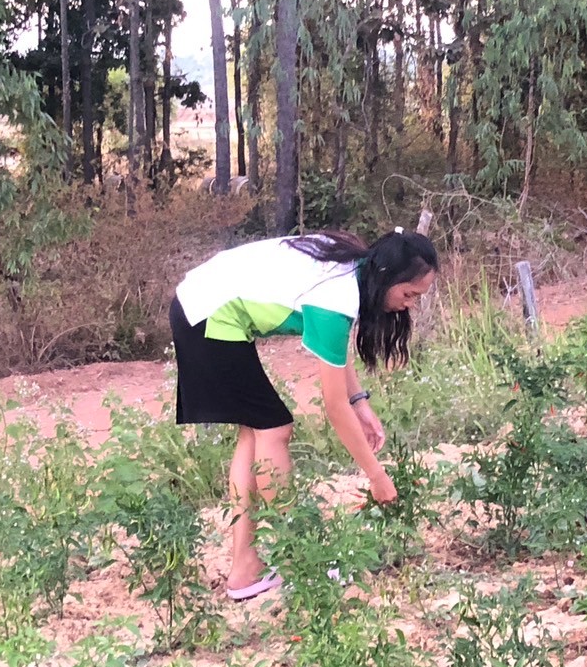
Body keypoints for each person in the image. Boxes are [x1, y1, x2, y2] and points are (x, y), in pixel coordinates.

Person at [169, 228, 439, 600]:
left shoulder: (352, 267)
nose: (410, 305)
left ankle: (245, 571)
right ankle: (298, 562)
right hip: (206, 316)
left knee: (257, 431)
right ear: (386, 276)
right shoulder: (337, 297)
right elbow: (333, 407)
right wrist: (377, 477)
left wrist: (360, 401)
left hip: (201, 305)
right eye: (409, 294)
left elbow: (334, 354)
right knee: (274, 429)